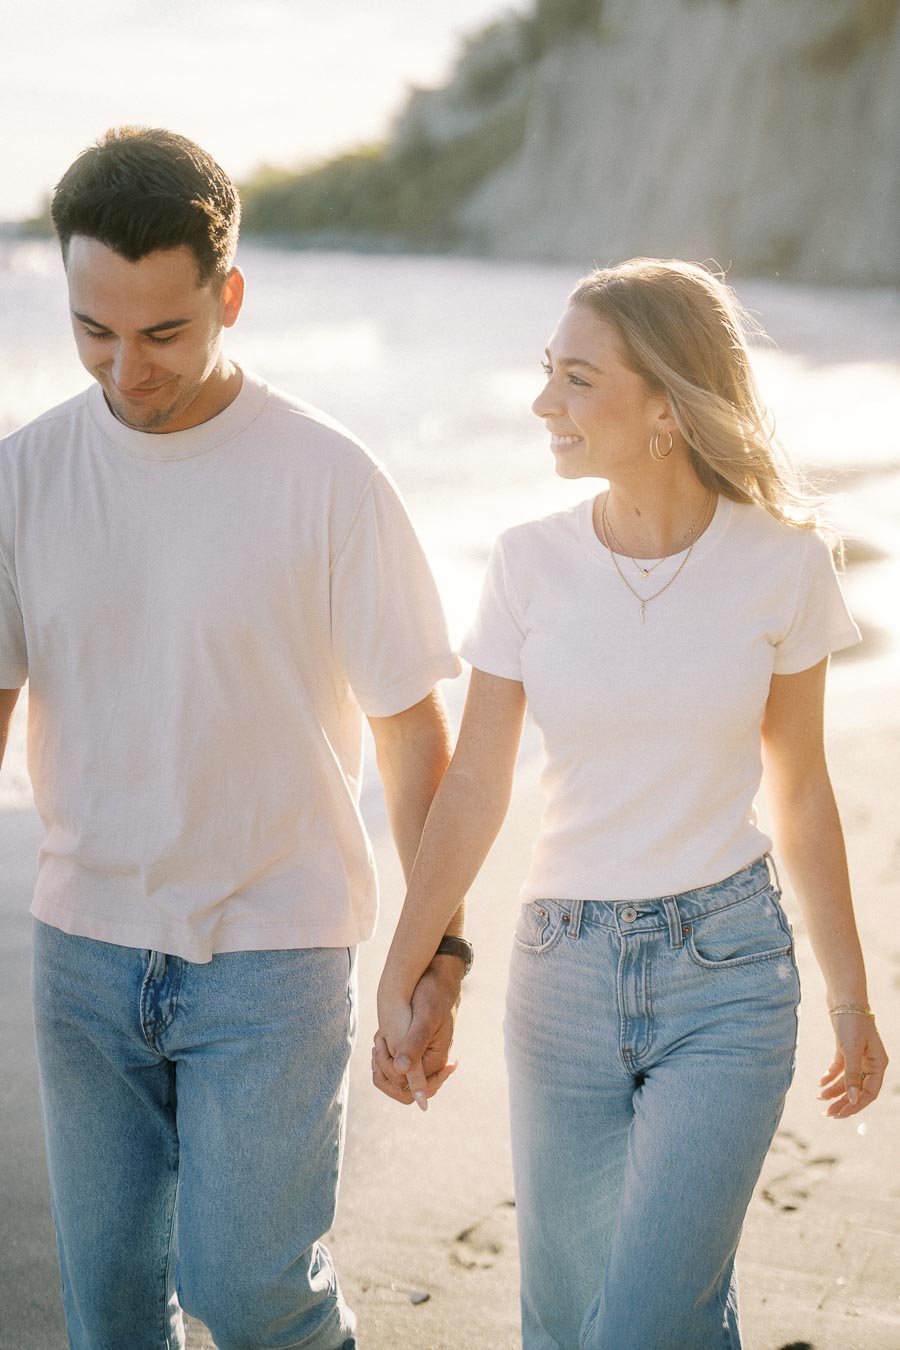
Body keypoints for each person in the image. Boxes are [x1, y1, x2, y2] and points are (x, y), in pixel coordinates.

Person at [0, 126, 468, 1350]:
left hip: (273, 951)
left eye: (164, 333)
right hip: (83, 953)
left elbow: (415, 735)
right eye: (93, 330)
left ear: (231, 296)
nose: (126, 368)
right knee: (108, 1312)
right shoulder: (24, 478)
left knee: (252, 1290)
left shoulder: (328, 479)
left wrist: (436, 953)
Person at [373, 258, 889, 1349]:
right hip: (562, 979)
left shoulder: (784, 564)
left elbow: (800, 790)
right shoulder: (525, 565)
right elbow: (474, 786)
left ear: (665, 403)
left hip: (729, 977)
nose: (541, 404)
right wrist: (408, 965)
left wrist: (852, 997)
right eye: (545, 374)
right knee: (567, 1327)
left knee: (648, 1324)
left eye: (573, 379)